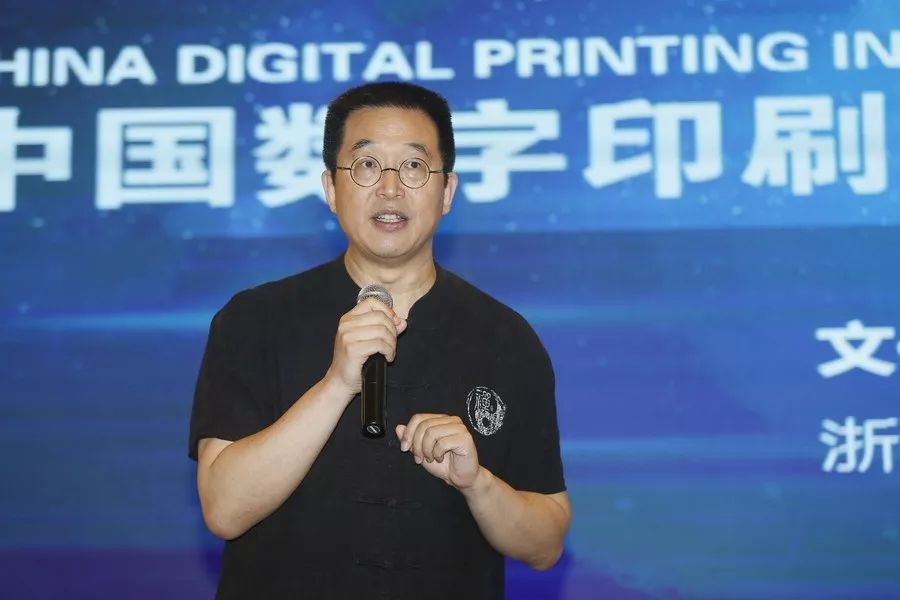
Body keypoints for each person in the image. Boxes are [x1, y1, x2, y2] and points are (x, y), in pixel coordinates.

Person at [189, 81, 570, 599]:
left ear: (447, 192)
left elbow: (546, 543)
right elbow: (224, 509)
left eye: (414, 167)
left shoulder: (507, 339)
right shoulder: (254, 320)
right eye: (367, 165)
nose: (390, 189)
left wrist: (478, 483)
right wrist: (336, 384)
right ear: (331, 188)